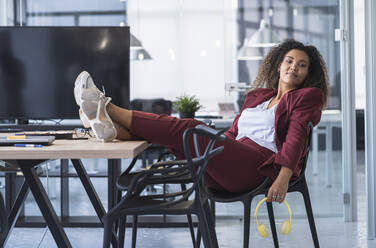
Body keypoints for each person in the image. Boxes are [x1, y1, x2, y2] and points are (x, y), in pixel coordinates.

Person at [73, 39, 329, 204]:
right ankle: (111, 128)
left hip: (259, 167)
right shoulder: (258, 97)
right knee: (183, 133)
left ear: (308, 73)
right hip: (228, 166)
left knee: (189, 127)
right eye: (289, 60)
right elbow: (233, 134)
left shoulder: (307, 96)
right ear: (278, 65)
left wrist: (283, 177)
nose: (294, 67)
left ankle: (107, 108)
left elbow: (296, 137)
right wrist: (217, 144)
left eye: (302, 65)